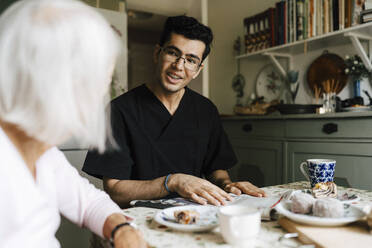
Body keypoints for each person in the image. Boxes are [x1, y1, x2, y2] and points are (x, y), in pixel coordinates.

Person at [0, 0, 147, 247]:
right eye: (98, 84)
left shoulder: (44, 152)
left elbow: (89, 201)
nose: (97, 101)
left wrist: (121, 228)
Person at [83, 15, 267, 208]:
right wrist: (172, 182)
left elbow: (216, 168)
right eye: (173, 53)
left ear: (198, 69)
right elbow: (115, 190)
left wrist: (228, 186)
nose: (179, 66)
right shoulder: (119, 110)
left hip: (196, 215)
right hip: (139, 219)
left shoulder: (206, 110)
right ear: (157, 53)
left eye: (191, 60)